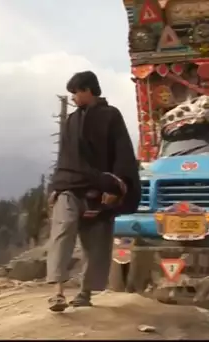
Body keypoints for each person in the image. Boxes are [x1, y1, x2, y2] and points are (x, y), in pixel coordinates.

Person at [45, 71, 141, 312]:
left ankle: (85, 293)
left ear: (88, 90)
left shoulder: (111, 115)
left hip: (100, 188)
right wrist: (55, 186)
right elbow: (64, 157)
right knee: (62, 230)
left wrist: (116, 187)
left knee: (95, 243)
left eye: (76, 92)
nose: (74, 97)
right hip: (68, 185)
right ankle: (56, 292)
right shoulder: (71, 120)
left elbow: (122, 152)